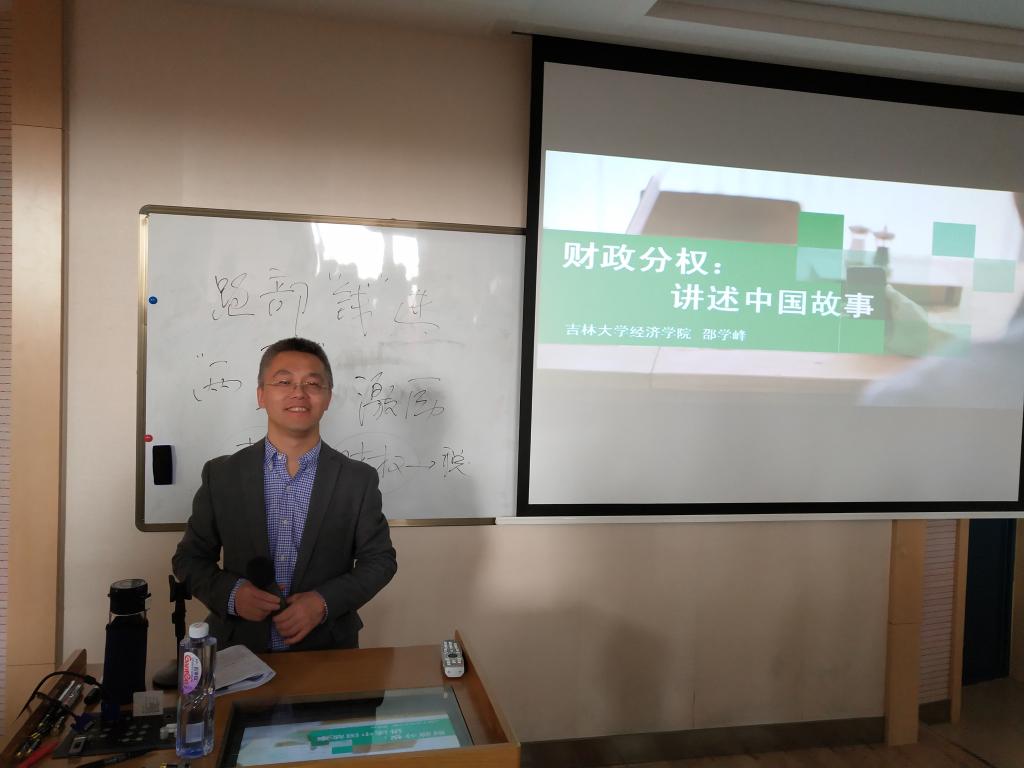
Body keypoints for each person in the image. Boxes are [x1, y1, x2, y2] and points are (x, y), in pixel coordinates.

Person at [173, 337, 397, 653]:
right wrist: (233, 595)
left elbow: (380, 560)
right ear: (261, 395)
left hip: (327, 651)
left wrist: (323, 602)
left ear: (328, 397)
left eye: (313, 384)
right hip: (239, 649)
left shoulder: (357, 479)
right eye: (283, 381)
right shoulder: (222, 475)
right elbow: (189, 559)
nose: (299, 393)